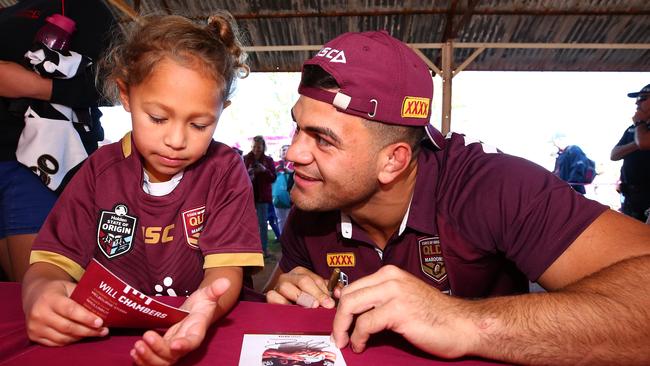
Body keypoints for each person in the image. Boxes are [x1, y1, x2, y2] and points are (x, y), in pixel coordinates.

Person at [265, 31, 650, 364]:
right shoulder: (313, 203)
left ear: (393, 161)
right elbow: (277, 303)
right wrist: (288, 296)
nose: (293, 153)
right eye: (297, 127)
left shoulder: (492, 186)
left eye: (322, 139)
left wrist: (466, 322)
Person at [21, 13, 263, 366]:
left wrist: (205, 306)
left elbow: (225, 272)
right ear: (126, 95)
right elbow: (50, 264)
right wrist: (38, 293)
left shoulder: (224, 170)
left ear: (220, 110)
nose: (176, 140)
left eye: (199, 124)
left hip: (197, 328)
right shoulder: (98, 172)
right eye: (158, 118)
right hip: (104, 341)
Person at [0, 0, 115, 282]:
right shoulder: (7, 12)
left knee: (38, 287)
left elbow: (111, 85)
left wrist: (34, 86)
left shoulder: (87, 8)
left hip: (38, 163)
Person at [610, 84, 650, 222]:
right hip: (631, 196)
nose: (637, 102)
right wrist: (637, 142)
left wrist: (639, 124)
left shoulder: (638, 126)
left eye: (643, 98)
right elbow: (614, 155)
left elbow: (644, 143)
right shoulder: (633, 129)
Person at [244, 135, 277, 257]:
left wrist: (264, 170)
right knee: (249, 223)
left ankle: (263, 249)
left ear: (263, 146)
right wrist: (247, 173)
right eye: (254, 146)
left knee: (263, 223)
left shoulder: (268, 160)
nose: (256, 149)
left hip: (262, 197)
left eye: (259, 146)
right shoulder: (246, 158)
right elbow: (240, 178)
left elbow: (273, 177)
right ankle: (250, 248)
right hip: (249, 197)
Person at [273, 144, 294, 232]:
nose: (284, 152)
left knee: (291, 219)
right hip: (277, 196)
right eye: (283, 150)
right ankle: (282, 237)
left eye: (286, 150)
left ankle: (290, 238)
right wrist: (275, 170)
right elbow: (269, 177)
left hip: (290, 196)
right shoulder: (275, 163)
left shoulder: (294, 164)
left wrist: (289, 171)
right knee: (280, 219)